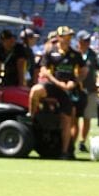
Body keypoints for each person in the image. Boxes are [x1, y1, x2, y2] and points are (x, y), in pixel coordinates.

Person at [33, 27, 82, 157]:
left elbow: (83, 70)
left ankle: (65, 151)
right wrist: (57, 82)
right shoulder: (50, 52)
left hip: (67, 89)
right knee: (36, 90)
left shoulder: (75, 54)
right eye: (65, 36)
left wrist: (74, 82)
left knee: (67, 120)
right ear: (59, 37)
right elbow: (44, 70)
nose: (68, 39)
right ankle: (31, 116)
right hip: (53, 85)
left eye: (70, 36)